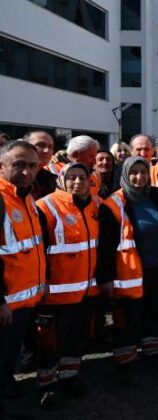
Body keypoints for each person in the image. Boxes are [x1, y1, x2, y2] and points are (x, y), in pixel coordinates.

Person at [97, 156, 158, 383]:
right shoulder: (113, 204)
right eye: (134, 173)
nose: (139, 177)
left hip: (155, 269)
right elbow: (106, 246)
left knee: (153, 313)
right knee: (127, 319)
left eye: (144, 172)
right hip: (127, 274)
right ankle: (125, 362)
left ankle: (153, 353)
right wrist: (106, 278)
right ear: (125, 175)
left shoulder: (156, 196)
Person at [35, 163, 101, 408]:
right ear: (61, 180)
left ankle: (70, 377)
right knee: (51, 342)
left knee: (77, 338)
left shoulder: (97, 205)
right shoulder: (45, 206)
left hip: (86, 291)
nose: (77, 182)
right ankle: (47, 385)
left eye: (82, 177)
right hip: (55, 293)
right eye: (71, 177)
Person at [0, 141, 46, 418]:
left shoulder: (26, 197)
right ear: (2, 166)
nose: (27, 171)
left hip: (25, 298)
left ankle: (6, 386)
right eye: (19, 165)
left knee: (9, 355)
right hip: (6, 301)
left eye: (32, 165)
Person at [24, 130, 58, 199]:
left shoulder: (51, 180)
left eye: (50, 147)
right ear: (24, 147)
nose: (47, 151)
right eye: (41, 145)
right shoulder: (13, 177)